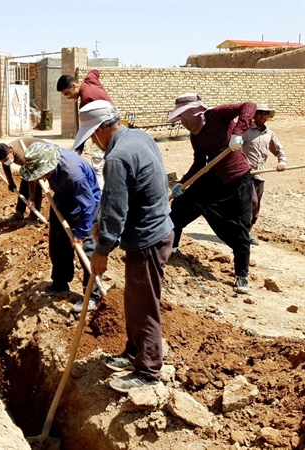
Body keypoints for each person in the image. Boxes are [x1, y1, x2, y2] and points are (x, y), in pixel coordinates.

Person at [73, 100, 174, 393]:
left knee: (144, 305)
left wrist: (102, 250)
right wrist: (100, 220)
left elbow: (117, 209)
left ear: (102, 130)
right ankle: (133, 352)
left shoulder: (116, 158)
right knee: (134, 298)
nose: (93, 141)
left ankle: (148, 369)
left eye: (92, 135)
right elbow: (117, 197)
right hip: (157, 229)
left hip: (148, 238)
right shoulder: (139, 136)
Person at [167, 93, 256, 294]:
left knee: (238, 227)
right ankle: (172, 247)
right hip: (214, 176)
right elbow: (199, 163)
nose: (181, 121)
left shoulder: (218, 115)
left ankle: (241, 275)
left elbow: (249, 105)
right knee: (181, 204)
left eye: (182, 117)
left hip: (237, 178)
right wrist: (181, 183)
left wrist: (237, 133)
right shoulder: (195, 136)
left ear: (194, 112)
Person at [19, 141, 101, 313]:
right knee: (57, 242)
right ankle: (60, 283)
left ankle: (92, 296)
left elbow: (88, 204)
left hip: (86, 205)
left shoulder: (73, 174)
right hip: (63, 197)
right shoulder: (45, 152)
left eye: (43, 174)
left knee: (87, 250)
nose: (40, 178)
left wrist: (80, 233)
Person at [57, 69, 113, 188]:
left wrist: (78, 150)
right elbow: (95, 71)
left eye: (67, 93)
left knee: (98, 165)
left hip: (106, 133)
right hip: (114, 123)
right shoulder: (89, 80)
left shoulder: (86, 101)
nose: (68, 97)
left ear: (73, 86)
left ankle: (101, 197)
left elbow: (86, 130)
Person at [242, 103, 287, 245]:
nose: (262, 116)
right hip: (246, 174)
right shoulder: (246, 132)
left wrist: (282, 161)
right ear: (254, 115)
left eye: (265, 113)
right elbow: (234, 149)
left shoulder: (270, 134)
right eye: (259, 112)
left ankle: (247, 231)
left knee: (256, 206)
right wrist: (243, 162)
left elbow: (279, 149)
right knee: (251, 202)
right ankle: (243, 234)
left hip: (261, 175)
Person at [0, 138, 44, 221]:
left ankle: (34, 218)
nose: (4, 162)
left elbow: (31, 177)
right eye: (2, 161)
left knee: (36, 185)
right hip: (30, 162)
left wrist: (31, 198)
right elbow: (5, 165)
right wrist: (11, 183)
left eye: (5, 160)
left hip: (42, 156)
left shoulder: (22, 156)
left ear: (10, 152)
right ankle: (19, 213)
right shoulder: (6, 152)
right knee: (24, 185)